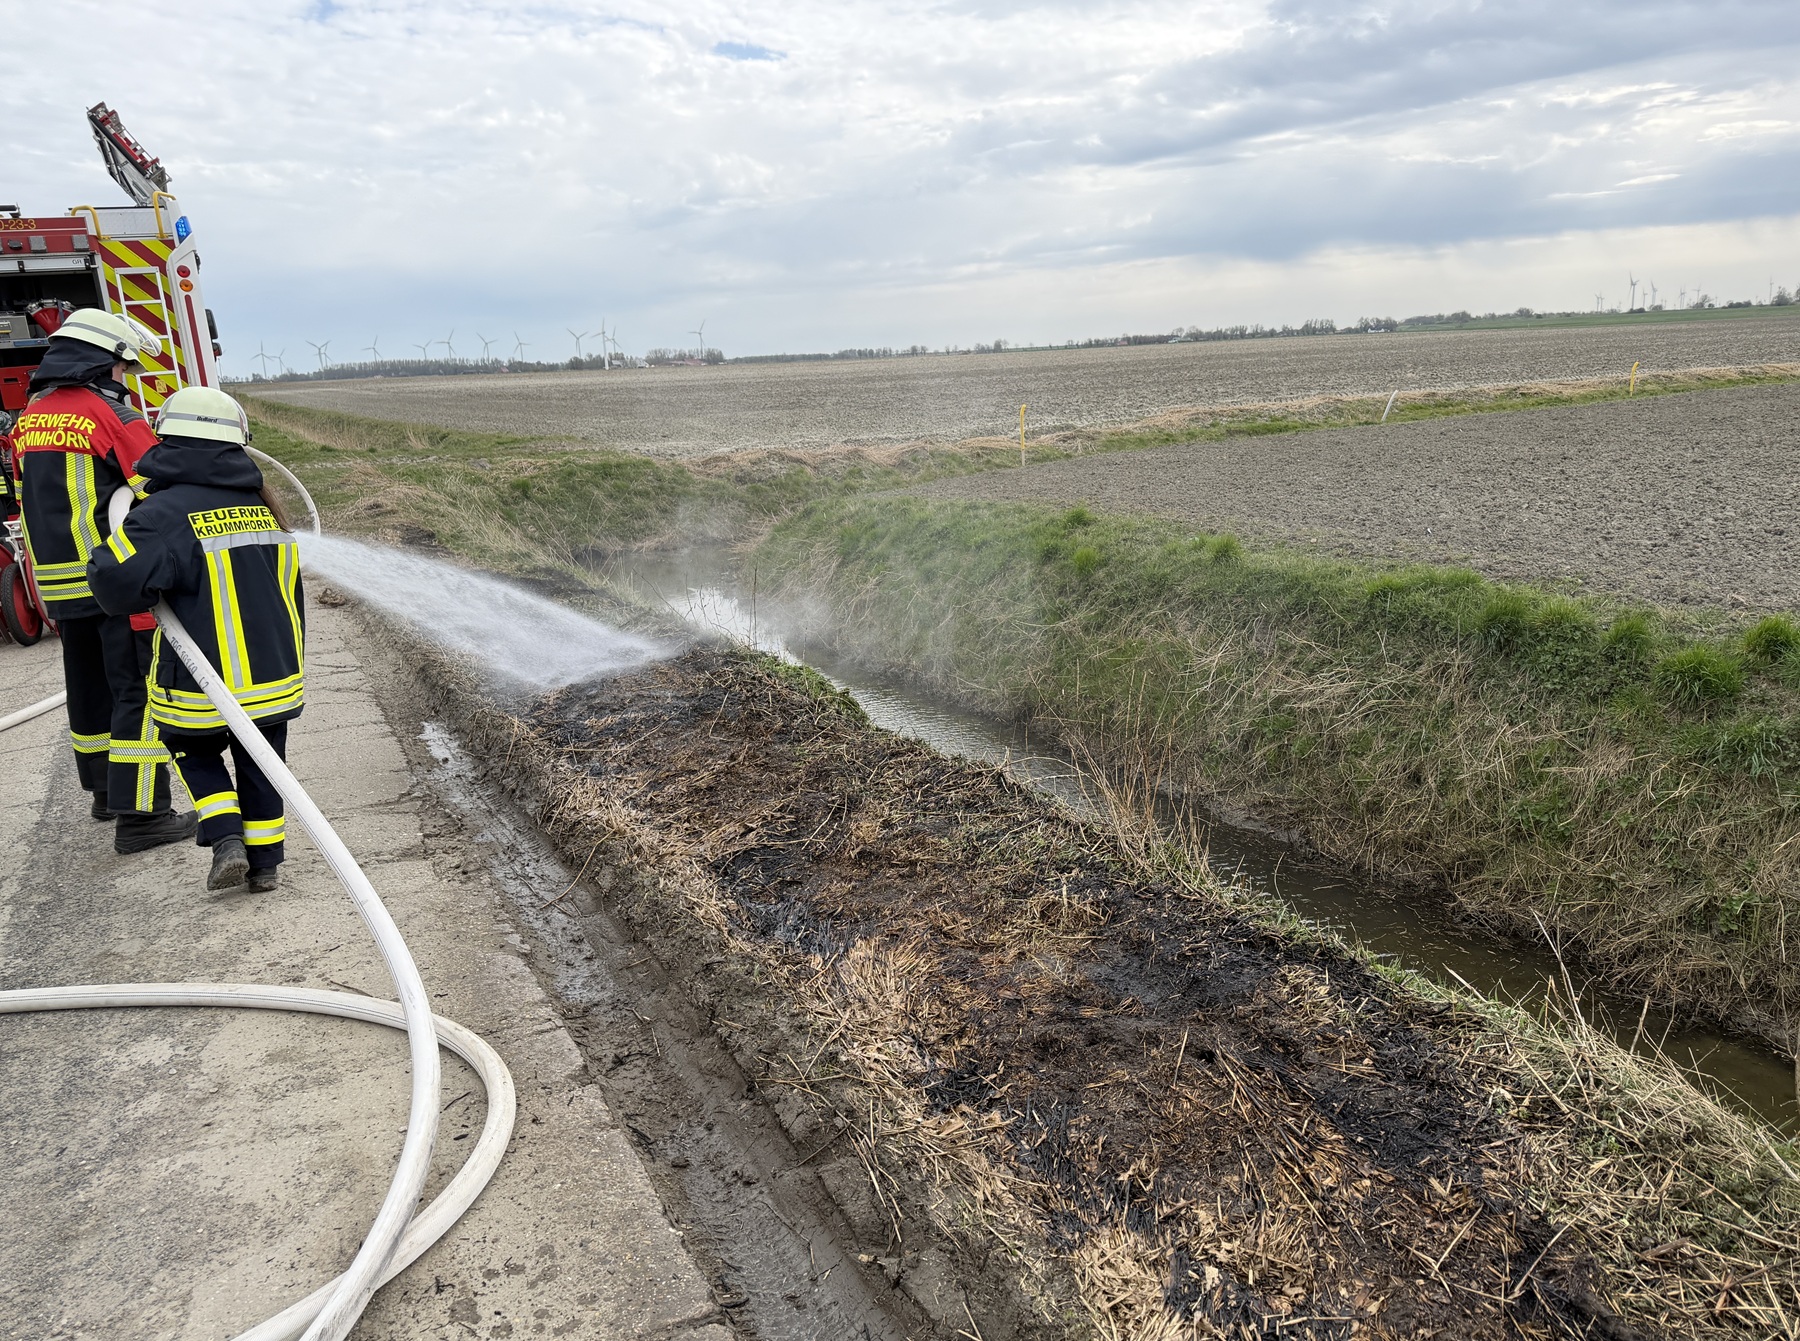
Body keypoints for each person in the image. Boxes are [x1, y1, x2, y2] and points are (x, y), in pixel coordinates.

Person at [88, 386, 305, 892]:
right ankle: (266, 864)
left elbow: (115, 586)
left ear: (166, 440)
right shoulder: (263, 506)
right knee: (262, 762)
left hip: (199, 681)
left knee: (190, 748)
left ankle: (226, 834)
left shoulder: (159, 516)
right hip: (274, 674)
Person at [12, 308, 194, 851]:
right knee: (136, 692)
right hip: (114, 582)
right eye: (121, 367)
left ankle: (104, 794)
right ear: (102, 363)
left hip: (61, 586)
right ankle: (142, 817)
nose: (124, 377)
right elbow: (158, 486)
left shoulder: (32, 416)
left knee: (88, 691)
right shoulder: (111, 414)